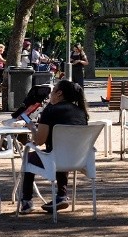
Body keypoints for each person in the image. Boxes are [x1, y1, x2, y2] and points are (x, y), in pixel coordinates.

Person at [20, 80, 89, 213]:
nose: (50, 94)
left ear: (59, 93)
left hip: (55, 159)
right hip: (79, 158)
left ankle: (27, 200)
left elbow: (39, 141)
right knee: (61, 150)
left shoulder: (50, 110)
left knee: (28, 157)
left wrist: (32, 128)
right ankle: (62, 195)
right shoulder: (81, 112)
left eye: (53, 91)